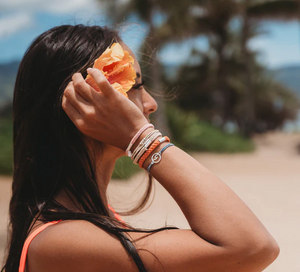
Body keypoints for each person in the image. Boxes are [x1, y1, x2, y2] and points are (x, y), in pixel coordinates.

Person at [1, 24, 279, 272]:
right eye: (134, 86)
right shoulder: (63, 241)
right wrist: (141, 138)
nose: (151, 103)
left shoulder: (92, 221)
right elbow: (253, 247)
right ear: (84, 103)